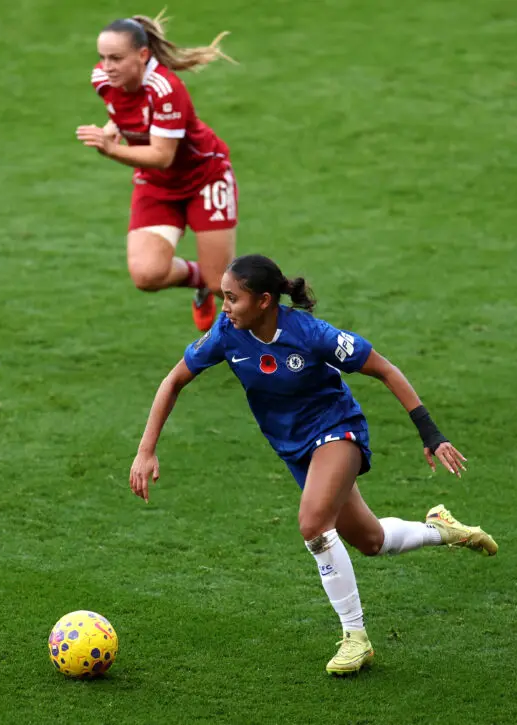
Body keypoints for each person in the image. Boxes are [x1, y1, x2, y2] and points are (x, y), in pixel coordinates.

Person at [129, 254, 498, 676]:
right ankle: (442, 529)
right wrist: (146, 449)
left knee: (312, 524)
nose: (224, 307)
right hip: (295, 449)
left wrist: (431, 434)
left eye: (232, 298)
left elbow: (385, 369)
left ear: (265, 301)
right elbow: (173, 380)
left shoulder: (311, 334)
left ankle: (355, 638)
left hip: (337, 431)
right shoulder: (227, 334)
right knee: (370, 540)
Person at [76, 12, 238, 332]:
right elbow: (124, 113)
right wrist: (112, 129)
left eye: (116, 58)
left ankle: (279, 338)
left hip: (204, 178)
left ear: (143, 55)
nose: (106, 67)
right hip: (157, 185)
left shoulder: (166, 90)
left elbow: (162, 156)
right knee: (147, 275)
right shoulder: (103, 80)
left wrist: (109, 148)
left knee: (225, 285)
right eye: (102, 58)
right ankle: (200, 281)